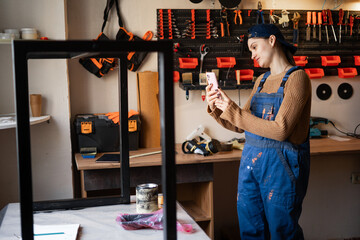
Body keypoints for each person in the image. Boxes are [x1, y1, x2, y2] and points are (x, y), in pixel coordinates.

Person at [206, 24, 311, 239]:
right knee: (251, 230)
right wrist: (217, 107)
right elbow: (239, 124)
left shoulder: (297, 78)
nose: (252, 55)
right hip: (251, 165)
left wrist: (233, 110)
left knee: (282, 232)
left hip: (281, 168)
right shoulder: (261, 81)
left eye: (255, 47)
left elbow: (281, 130)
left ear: (272, 41)